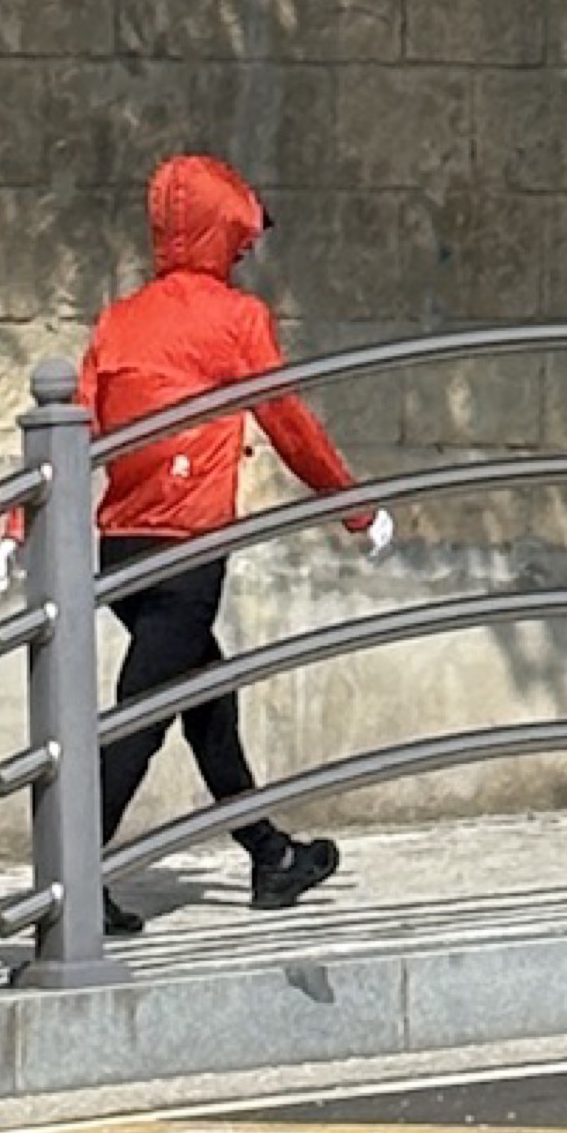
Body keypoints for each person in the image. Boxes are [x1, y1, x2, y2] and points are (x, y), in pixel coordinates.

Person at [75, 150, 389, 925]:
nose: (248, 251)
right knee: (139, 719)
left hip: (118, 548)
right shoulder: (236, 319)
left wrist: (19, 523)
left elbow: (68, 427)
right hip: (187, 551)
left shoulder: (119, 320)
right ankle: (68, 888)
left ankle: (269, 855)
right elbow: (288, 422)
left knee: (206, 700)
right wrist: (354, 506)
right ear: (224, 234)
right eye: (242, 238)